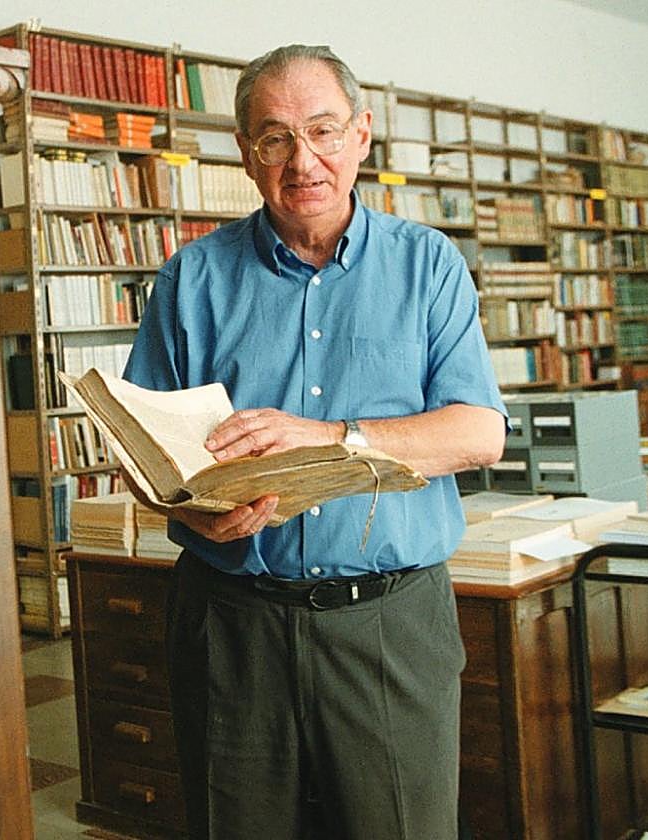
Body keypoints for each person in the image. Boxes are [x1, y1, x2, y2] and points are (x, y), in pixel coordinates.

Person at [123, 43, 507, 840]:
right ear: (245, 153)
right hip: (232, 624)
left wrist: (332, 437)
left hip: (389, 625)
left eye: (324, 130)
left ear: (362, 135)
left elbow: (479, 433)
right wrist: (187, 511)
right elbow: (145, 454)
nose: (304, 160)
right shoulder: (190, 277)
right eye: (275, 138)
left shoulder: (429, 264)